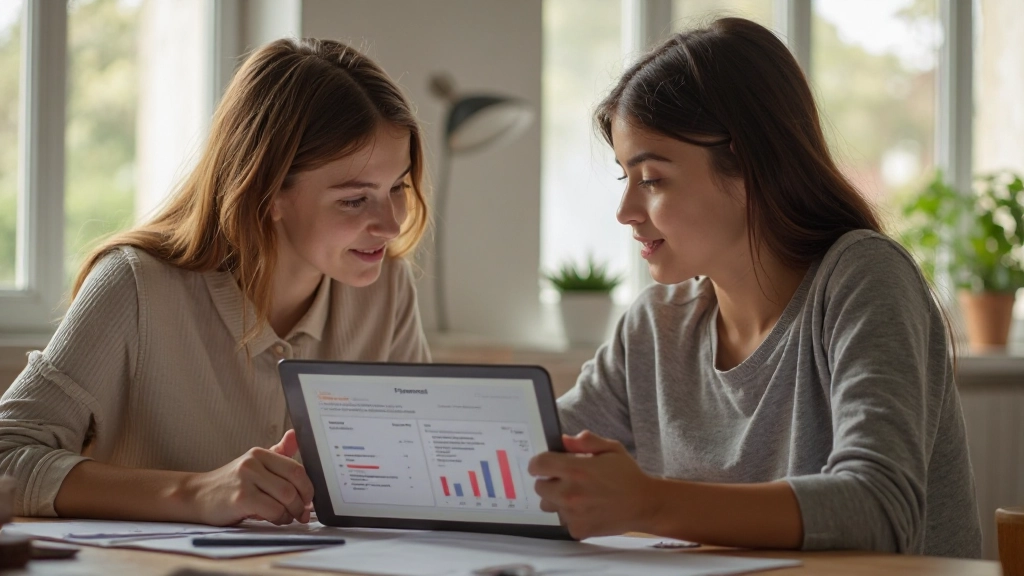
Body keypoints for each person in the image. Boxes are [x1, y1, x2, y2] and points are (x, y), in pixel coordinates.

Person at [529, 17, 982, 558]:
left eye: (650, 178)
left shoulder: (863, 278)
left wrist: (647, 502)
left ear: (748, 165)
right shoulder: (655, 327)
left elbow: (879, 510)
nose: (625, 211)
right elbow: (531, 451)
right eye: (625, 178)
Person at [0, 38, 430, 527]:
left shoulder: (387, 288)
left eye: (397, 187)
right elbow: (6, 455)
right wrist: (196, 492)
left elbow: (421, 471)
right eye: (355, 200)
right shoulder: (135, 286)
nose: (391, 225)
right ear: (268, 191)